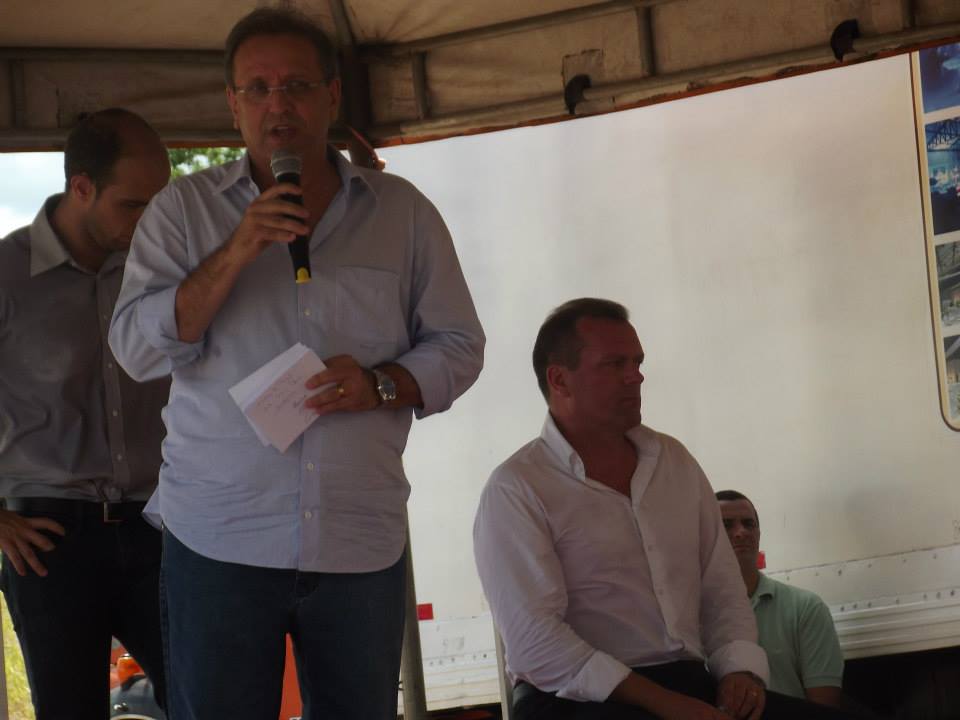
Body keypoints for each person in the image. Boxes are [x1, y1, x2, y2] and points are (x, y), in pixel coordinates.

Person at [108, 7, 485, 720]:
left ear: (332, 96)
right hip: (219, 538)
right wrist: (238, 249)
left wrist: (380, 384)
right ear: (232, 104)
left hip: (355, 539)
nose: (277, 104)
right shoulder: (183, 212)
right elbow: (134, 348)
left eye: (297, 86)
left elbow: (460, 345)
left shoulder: (401, 213)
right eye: (257, 88)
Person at [473, 298, 858, 720]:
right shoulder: (517, 488)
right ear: (559, 379)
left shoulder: (674, 462)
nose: (635, 376)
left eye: (637, 362)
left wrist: (740, 670)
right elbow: (535, 643)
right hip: (572, 701)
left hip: (686, 682)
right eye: (614, 364)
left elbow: (721, 587)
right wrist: (668, 705)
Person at [0, 108, 171, 719]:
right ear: (81, 187)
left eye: (159, 202)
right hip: (48, 538)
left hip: (161, 523)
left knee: (210, 698)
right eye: (133, 204)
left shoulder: (163, 268)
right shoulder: (7, 274)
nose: (149, 219)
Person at [715, 490, 846, 706]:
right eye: (726, 525)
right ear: (706, 536)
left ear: (758, 533)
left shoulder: (806, 608)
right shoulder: (689, 615)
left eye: (748, 524)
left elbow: (824, 708)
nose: (741, 532)